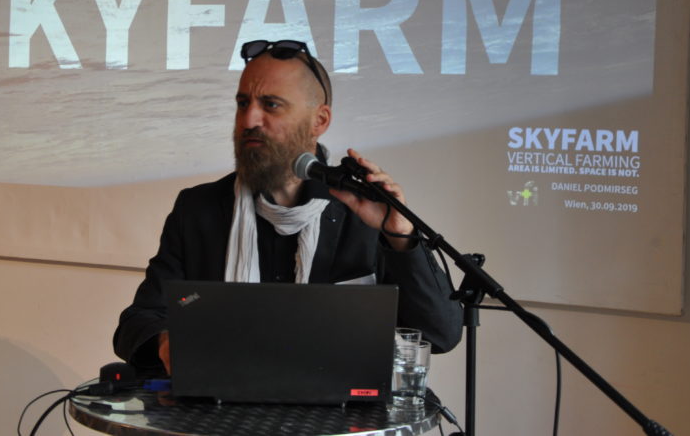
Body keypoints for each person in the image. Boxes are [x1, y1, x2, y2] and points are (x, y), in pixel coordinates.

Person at [113, 39, 463, 374]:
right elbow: (138, 321)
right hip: (219, 407)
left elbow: (439, 334)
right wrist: (165, 341)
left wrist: (399, 236)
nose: (249, 120)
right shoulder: (199, 210)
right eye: (242, 103)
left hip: (338, 411)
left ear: (319, 121)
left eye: (271, 105)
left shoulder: (366, 213)